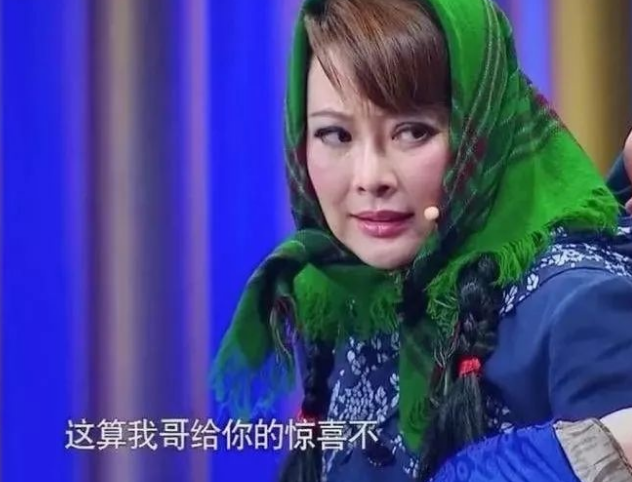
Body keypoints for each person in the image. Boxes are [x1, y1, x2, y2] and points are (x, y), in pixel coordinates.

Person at [210, 0, 632, 480]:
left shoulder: (581, 306)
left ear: (482, 124)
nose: (370, 177)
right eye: (335, 135)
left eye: (412, 132)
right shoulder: (340, 295)